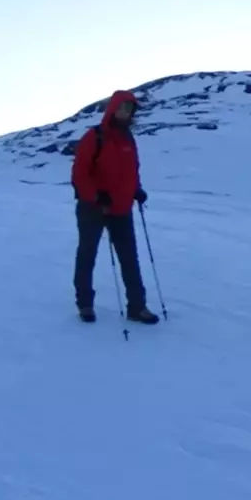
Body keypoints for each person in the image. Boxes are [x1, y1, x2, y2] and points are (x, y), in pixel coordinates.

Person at [70, 90, 160, 324]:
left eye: (129, 109)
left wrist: (136, 190)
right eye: (122, 108)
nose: (125, 112)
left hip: (121, 208)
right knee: (87, 254)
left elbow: (131, 171)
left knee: (130, 258)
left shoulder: (128, 138)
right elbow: (80, 174)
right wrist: (96, 196)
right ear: (113, 109)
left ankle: (137, 307)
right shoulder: (95, 137)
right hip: (94, 208)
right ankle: (85, 304)